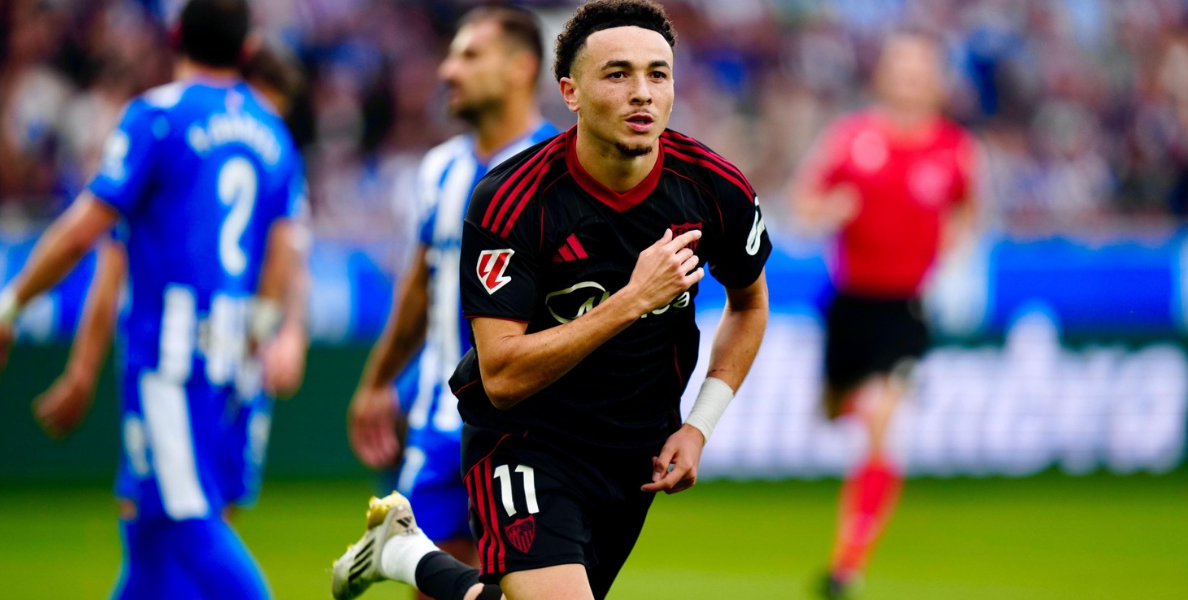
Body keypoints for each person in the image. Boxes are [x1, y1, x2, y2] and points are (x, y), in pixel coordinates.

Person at [330, 2, 771, 600]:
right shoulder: (510, 200)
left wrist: (699, 426)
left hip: (633, 453)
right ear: (571, 91)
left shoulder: (715, 188)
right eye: (617, 74)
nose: (642, 93)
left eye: (657, 74)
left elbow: (748, 303)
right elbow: (503, 375)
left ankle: (407, 555)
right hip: (526, 438)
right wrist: (632, 299)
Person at [0, 1, 305, 598]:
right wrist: (266, 326)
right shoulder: (272, 132)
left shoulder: (157, 116)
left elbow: (88, 227)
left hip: (168, 356)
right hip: (228, 353)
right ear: (246, 52)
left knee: (191, 522)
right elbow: (284, 248)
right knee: (148, 533)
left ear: (173, 36)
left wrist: (12, 302)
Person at [346, 7, 557, 598]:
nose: (447, 70)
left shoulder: (560, 171)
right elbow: (419, 288)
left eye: (469, 55)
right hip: (441, 424)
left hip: (529, 432)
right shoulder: (437, 170)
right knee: (430, 583)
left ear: (520, 68)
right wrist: (377, 381)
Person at [791, 30, 977, 599]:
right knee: (834, 412)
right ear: (884, 77)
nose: (910, 80)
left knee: (880, 423)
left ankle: (846, 564)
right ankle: (843, 397)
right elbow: (803, 207)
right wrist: (830, 211)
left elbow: (966, 209)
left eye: (921, 70)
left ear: (936, 81)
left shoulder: (954, 149)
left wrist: (951, 249)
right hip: (850, 306)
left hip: (905, 310)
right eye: (901, 68)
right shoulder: (851, 139)